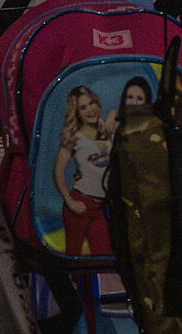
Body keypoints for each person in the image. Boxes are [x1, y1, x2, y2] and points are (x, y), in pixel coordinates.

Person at [52, 84, 114, 258]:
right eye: (83, 107)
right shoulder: (74, 137)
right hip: (81, 203)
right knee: (73, 255)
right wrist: (70, 201)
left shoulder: (106, 131)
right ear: (76, 112)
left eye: (92, 103)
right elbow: (58, 172)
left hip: (101, 206)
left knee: (103, 255)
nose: (90, 110)